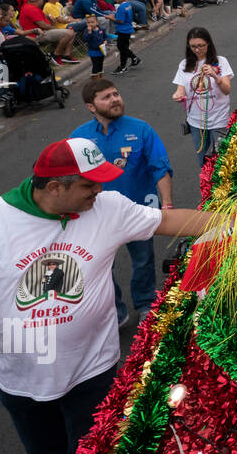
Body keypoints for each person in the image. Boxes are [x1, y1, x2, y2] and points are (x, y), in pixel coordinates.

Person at [0, 137, 215, 454]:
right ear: (54, 188)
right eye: (89, 185)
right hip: (20, 381)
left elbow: (169, 220)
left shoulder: (109, 208)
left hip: (95, 373)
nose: (99, 192)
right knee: (51, 449)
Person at [70, 78, 173, 327]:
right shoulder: (79, 137)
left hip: (137, 210)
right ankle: (116, 311)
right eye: (106, 97)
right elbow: (71, 177)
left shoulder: (141, 130)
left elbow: (160, 167)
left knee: (143, 260)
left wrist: (167, 205)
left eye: (116, 94)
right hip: (95, 214)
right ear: (90, 106)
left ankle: (146, 303)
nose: (115, 99)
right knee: (101, 265)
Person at [172, 28, 234, 167]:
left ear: (208, 44)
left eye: (201, 46)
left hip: (219, 120)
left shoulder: (221, 62)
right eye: (193, 46)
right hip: (195, 122)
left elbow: (226, 90)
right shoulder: (184, 64)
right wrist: (178, 95)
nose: (197, 50)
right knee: (203, 162)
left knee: (221, 162)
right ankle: (207, 188)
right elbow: (180, 89)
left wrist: (215, 76)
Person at [109, 0, 141, 74]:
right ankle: (134, 58)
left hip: (123, 30)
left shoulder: (121, 7)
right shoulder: (128, 4)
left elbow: (121, 20)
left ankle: (122, 66)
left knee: (122, 48)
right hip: (127, 29)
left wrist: (110, 17)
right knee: (123, 47)